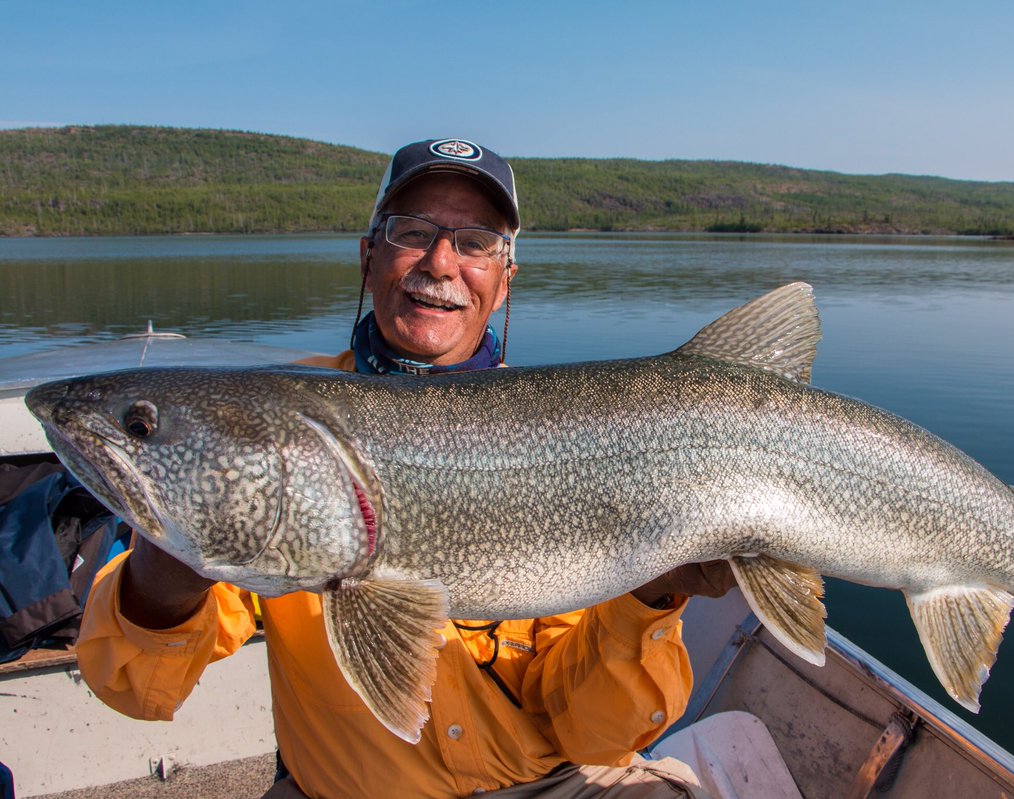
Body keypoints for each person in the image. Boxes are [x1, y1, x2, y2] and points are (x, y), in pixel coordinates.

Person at [75, 138, 736, 799]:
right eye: (411, 232)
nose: (439, 261)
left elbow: (595, 734)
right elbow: (132, 684)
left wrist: (652, 595)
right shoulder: (275, 419)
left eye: (475, 242)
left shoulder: (574, 436)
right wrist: (174, 555)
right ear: (369, 256)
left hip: (553, 784)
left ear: (505, 278)